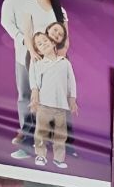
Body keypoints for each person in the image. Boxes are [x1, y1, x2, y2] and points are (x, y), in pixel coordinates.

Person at [0, 0, 39, 159]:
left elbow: (59, 19)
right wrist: (21, 38)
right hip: (23, 54)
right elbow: (6, 21)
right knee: (25, 96)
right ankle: (27, 143)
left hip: (46, 55)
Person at [29, 31, 78, 170]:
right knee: (41, 132)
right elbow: (35, 82)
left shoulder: (64, 62)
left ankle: (58, 159)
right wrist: (35, 96)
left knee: (60, 135)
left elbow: (71, 82)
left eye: (45, 41)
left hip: (61, 106)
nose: (43, 44)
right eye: (39, 44)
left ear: (52, 43)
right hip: (44, 104)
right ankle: (40, 155)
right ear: (38, 50)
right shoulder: (39, 64)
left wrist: (72, 99)